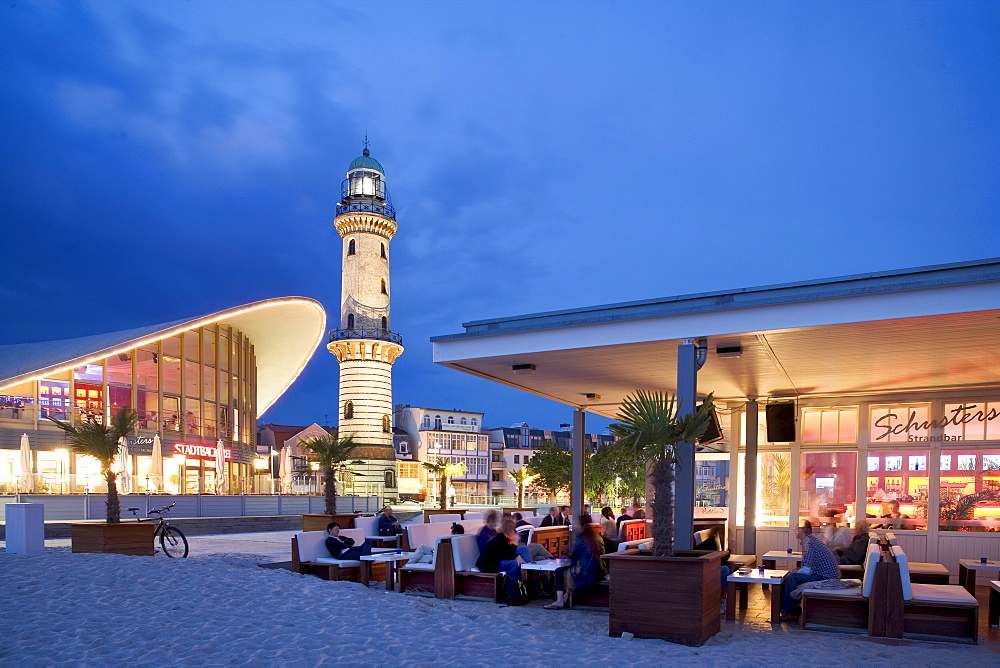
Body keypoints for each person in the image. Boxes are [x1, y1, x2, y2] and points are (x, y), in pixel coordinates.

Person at [779, 520, 841, 621]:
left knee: (791, 577)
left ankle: (790, 611)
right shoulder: (811, 541)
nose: (794, 531)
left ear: (800, 531)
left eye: (795, 529)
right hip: (827, 574)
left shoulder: (809, 544)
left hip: (826, 577)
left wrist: (793, 573)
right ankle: (790, 607)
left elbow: (806, 570)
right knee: (791, 575)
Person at [544, 513, 606, 610]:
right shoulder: (595, 535)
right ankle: (565, 598)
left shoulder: (582, 537)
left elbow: (575, 556)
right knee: (567, 571)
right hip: (599, 569)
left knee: (559, 572)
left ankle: (559, 601)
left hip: (586, 572)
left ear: (580, 524)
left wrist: (567, 561)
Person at [476, 518, 532, 604]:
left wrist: (517, 555)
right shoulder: (499, 539)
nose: (515, 532)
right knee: (512, 564)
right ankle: (514, 592)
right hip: (489, 565)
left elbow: (507, 553)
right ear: (509, 530)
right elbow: (505, 555)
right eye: (514, 529)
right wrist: (515, 545)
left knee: (523, 549)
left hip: (496, 562)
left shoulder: (504, 539)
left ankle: (528, 581)